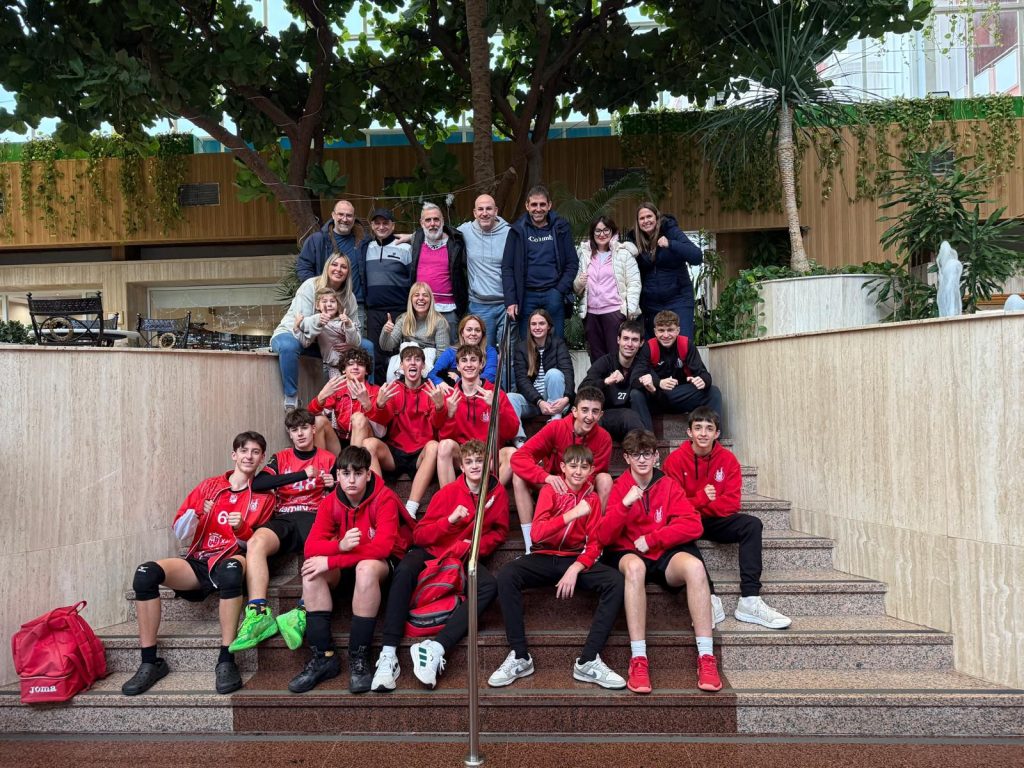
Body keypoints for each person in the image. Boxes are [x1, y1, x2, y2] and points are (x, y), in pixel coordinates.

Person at [122, 432, 276, 696]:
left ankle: (226, 659)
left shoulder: (265, 497)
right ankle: (150, 662)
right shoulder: (209, 486)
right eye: (244, 451)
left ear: (262, 458)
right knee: (145, 573)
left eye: (255, 452)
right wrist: (196, 513)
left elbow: (257, 547)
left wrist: (241, 529)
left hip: (231, 558)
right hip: (199, 560)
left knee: (231, 571)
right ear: (234, 455)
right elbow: (180, 531)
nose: (249, 456)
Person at [370, 439, 509, 692]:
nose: (475, 466)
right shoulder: (448, 493)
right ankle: (388, 654)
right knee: (404, 570)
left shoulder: (497, 492)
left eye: (480, 461)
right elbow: (420, 535)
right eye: (469, 462)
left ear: (489, 464)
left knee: (489, 586)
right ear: (461, 467)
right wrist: (450, 521)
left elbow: (500, 532)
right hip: (432, 551)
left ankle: (436, 648)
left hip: (463, 556)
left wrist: (476, 546)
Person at [489, 445, 626, 689]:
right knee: (508, 574)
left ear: (591, 471)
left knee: (615, 581)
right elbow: (537, 533)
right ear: (563, 467)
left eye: (584, 467)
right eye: (573, 466)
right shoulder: (550, 490)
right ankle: (520, 656)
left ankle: (588, 661)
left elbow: (595, 544)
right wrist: (572, 514)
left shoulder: (593, 499)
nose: (578, 471)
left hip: (573, 559)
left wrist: (576, 568)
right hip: (544, 556)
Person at [598, 429, 722, 694]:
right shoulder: (620, 487)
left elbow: (694, 525)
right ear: (627, 458)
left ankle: (706, 656)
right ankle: (639, 659)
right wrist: (624, 506)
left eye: (647, 454)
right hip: (628, 553)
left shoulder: (667, 485)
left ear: (656, 456)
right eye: (636, 454)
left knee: (695, 567)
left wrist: (654, 538)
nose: (642, 460)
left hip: (660, 553)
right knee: (635, 568)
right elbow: (604, 537)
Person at [287, 446, 413, 694]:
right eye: (345, 473)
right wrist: (339, 546)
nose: (351, 480)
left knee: (365, 569)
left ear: (368, 474)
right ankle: (324, 657)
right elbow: (311, 546)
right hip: (347, 561)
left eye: (358, 473)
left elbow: (383, 548)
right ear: (338, 475)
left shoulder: (384, 498)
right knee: (311, 572)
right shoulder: (330, 501)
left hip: (382, 566)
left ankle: (359, 657)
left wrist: (332, 560)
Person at [663, 407, 791, 630]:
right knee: (679, 529)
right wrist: (702, 498)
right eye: (698, 428)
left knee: (752, 524)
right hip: (688, 522)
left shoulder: (728, 460)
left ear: (717, 434)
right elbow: (673, 506)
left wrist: (694, 505)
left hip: (713, 521)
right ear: (689, 432)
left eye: (709, 428)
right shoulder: (674, 461)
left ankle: (750, 599)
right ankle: (709, 598)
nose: (703, 433)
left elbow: (731, 504)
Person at [229, 410, 337, 654]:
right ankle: (258, 614)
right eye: (294, 430)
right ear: (290, 434)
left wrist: (332, 486)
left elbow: (340, 494)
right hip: (284, 517)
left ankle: (301, 612)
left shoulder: (328, 459)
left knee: (322, 553)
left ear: (313, 429)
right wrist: (302, 475)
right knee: (256, 542)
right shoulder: (281, 458)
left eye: (304, 428)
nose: (300, 434)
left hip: (314, 516)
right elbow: (258, 483)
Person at [510, 387, 612, 554]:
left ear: (601, 415)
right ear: (574, 411)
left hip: (581, 488)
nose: (589, 416)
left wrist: (574, 486)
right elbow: (518, 457)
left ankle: (593, 542)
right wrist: (545, 477)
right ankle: (530, 547)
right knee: (518, 476)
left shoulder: (604, 438)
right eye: (584, 410)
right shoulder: (556, 427)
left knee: (606, 479)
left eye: (595, 411)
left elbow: (594, 473)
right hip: (552, 485)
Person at [271, 253, 361, 410]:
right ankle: (291, 397)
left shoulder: (349, 297)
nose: (338, 269)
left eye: (343, 266)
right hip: (295, 333)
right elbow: (301, 323)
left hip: (325, 342)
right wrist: (319, 319)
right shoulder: (310, 286)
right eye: (334, 265)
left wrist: (351, 343)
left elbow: (356, 327)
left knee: (366, 347)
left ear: (348, 271)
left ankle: (364, 398)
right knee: (288, 346)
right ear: (327, 267)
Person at [364, 344, 442, 520]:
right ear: (401, 366)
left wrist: (439, 407)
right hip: (396, 451)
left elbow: (438, 425)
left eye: (417, 359)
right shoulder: (393, 388)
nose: (412, 363)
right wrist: (380, 405)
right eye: (408, 359)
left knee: (434, 446)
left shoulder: (431, 389)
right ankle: (380, 502)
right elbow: (382, 424)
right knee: (368, 444)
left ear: (423, 366)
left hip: (421, 454)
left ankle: (411, 508)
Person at [430, 345, 520, 487]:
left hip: (489, 457)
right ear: (458, 367)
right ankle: (450, 498)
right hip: (463, 456)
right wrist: (450, 415)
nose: (469, 364)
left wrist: (496, 408)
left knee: (512, 454)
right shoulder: (450, 396)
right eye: (464, 360)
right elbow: (444, 438)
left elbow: (511, 432)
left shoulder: (495, 393)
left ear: (481, 364)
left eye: (473, 360)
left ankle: (488, 496)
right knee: (444, 445)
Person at [502, 185, 578, 338]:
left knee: (556, 343)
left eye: (542, 204)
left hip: (553, 294)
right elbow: (507, 267)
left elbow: (572, 263)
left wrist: (559, 290)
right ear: (527, 206)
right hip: (526, 296)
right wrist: (511, 300)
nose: (538, 209)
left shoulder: (560, 228)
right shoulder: (517, 231)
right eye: (534, 205)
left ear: (549, 205)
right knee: (526, 344)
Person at [630, 310, 723, 429]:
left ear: (678, 330)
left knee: (713, 392)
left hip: (680, 396)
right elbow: (634, 380)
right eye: (661, 330)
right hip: (656, 397)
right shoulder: (648, 347)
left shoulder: (686, 344)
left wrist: (703, 381)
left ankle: (713, 437)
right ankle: (646, 439)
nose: (666, 335)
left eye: (670, 330)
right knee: (636, 394)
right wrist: (658, 383)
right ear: (655, 332)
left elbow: (704, 374)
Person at [624, 202, 703, 340]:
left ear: (657, 217)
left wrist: (670, 244)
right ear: (638, 222)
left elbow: (696, 256)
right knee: (654, 347)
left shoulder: (671, 231)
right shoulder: (634, 241)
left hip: (679, 299)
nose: (646, 221)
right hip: (651, 304)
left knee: (683, 343)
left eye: (649, 216)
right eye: (642, 218)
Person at [573, 216, 641, 363]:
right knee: (597, 359)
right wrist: (579, 282)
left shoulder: (623, 253)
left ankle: (617, 379)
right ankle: (600, 380)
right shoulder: (585, 254)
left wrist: (629, 310)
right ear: (592, 233)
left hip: (615, 312)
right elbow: (577, 288)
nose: (602, 234)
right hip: (591, 314)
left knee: (616, 356)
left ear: (613, 231)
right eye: (597, 231)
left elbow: (634, 283)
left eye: (606, 230)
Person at [357, 207, 414, 383]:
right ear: (372, 226)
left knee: (399, 354)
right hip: (374, 311)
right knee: (376, 356)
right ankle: (379, 392)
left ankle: (400, 391)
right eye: (377, 223)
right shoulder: (366, 248)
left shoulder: (405, 248)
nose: (381, 227)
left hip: (400, 311)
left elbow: (414, 279)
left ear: (393, 225)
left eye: (385, 223)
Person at [307, 347, 383, 456]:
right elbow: (309, 415)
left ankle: (353, 464)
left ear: (366, 371)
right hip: (340, 440)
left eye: (360, 364)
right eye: (350, 364)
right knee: (318, 420)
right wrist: (321, 396)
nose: (355, 367)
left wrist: (367, 404)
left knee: (359, 418)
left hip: (365, 443)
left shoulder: (376, 391)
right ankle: (322, 464)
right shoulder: (338, 389)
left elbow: (381, 432)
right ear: (344, 370)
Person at [580, 319, 647, 442]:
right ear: (618, 340)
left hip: (631, 420)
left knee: (632, 414)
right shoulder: (605, 361)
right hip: (604, 415)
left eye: (634, 340)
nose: (629, 344)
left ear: (641, 343)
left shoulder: (642, 365)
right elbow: (582, 389)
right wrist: (606, 381)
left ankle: (646, 448)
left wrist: (653, 387)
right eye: (625, 338)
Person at [458, 194, 511, 348]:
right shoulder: (465, 231)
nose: (485, 213)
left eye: (489, 209)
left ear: (496, 211)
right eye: (480, 209)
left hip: (506, 305)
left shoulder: (509, 233)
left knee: (508, 353)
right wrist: (412, 237)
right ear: (474, 213)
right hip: (479, 303)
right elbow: (439, 234)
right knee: (482, 351)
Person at [410, 202, 468, 341]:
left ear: (442, 221)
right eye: (428, 220)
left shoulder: (455, 241)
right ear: (421, 223)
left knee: (450, 349)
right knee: (423, 349)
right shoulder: (417, 239)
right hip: (422, 309)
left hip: (449, 310)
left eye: (436, 219)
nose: (432, 224)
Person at [509, 308, 574, 426]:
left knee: (554, 373)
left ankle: (555, 420)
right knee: (510, 398)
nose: (537, 327)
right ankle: (519, 436)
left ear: (548, 326)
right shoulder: (521, 348)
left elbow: (568, 373)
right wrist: (539, 401)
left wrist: (567, 398)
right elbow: (522, 380)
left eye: (541, 323)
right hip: (533, 401)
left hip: (556, 400)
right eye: (533, 324)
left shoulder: (558, 344)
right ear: (529, 327)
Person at [379, 282, 451, 381]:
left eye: (425, 295)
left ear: (430, 300)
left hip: (428, 362)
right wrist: (386, 332)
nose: (421, 298)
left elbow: (442, 354)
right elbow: (387, 346)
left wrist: (433, 374)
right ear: (411, 299)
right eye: (416, 295)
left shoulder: (439, 321)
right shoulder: (404, 319)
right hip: (406, 358)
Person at [293, 287, 361, 380]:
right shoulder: (317, 324)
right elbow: (305, 342)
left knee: (355, 387)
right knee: (337, 387)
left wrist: (348, 324)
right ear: (317, 306)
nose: (329, 304)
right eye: (324, 301)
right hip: (332, 366)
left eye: (332, 301)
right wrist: (296, 328)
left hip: (352, 365)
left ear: (338, 305)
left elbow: (353, 342)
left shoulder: (343, 321)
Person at [428, 313, 498, 387]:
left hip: (481, 391)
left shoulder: (489, 351)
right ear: (462, 333)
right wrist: (440, 382)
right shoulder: (451, 352)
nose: (473, 333)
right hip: (454, 392)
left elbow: (490, 376)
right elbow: (432, 374)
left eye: (477, 330)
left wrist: (459, 380)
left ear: (482, 334)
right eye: (469, 330)